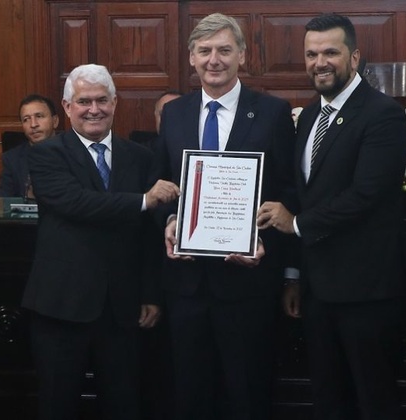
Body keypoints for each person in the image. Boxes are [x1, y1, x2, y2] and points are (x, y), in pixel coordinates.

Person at [257, 13, 406, 419]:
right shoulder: (308, 117)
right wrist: (294, 274)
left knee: (373, 398)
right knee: (328, 398)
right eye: (311, 54)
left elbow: (366, 195)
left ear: (354, 56)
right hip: (318, 290)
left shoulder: (383, 114)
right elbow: (303, 192)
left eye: (330, 52)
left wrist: (295, 224)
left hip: (366, 290)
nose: (319, 62)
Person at [152, 12, 296, 420]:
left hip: (248, 282)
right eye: (205, 51)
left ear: (242, 57)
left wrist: (268, 241)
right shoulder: (176, 113)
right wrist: (168, 223)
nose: (214, 59)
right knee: (190, 393)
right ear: (191, 59)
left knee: (246, 393)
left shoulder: (272, 112)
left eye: (224, 50)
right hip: (187, 285)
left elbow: (288, 192)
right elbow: (161, 184)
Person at [21, 63, 179, 420]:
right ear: (66, 107)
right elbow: (75, 203)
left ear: (115, 102)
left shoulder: (141, 157)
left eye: (102, 100)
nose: (94, 109)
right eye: (84, 101)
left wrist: (150, 293)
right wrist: (143, 200)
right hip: (61, 305)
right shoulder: (47, 154)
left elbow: (148, 235)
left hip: (123, 310)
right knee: (57, 404)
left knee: (124, 404)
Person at [0, 94, 60, 197]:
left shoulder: (73, 151)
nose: (33, 124)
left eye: (39, 116)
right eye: (26, 119)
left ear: (55, 121)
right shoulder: (12, 159)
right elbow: (3, 202)